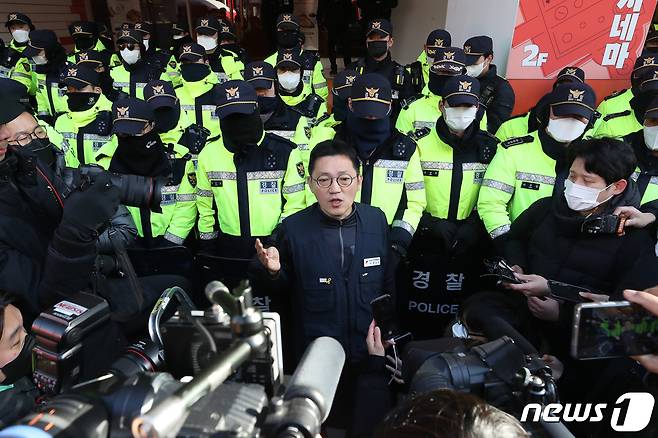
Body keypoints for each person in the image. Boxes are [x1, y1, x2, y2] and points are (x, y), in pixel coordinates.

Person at [465, 138, 658, 357]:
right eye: (572, 176)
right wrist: (517, 265)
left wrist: (561, 314)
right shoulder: (545, 208)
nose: (576, 186)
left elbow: (623, 307)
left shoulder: (633, 238)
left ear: (617, 186)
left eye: (588, 180)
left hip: (573, 351)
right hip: (520, 328)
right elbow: (514, 240)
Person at [254, 138, 395, 432]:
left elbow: (387, 284)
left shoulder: (376, 220)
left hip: (368, 354)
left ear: (359, 180)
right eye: (324, 180)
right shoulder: (293, 230)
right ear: (310, 184)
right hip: (317, 361)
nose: (335, 189)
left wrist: (388, 335)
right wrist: (273, 272)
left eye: (344, 179)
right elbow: (281, 294)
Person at [404, 75, 497, 338]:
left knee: (463, 315)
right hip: (425, 240)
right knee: (419, 313)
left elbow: (497, 196)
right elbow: (405, 194)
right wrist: (428, 225)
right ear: (441, 106)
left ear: (478, 109)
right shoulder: (417, 144)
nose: (462, 113)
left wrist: (476, 226)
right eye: (455, 106)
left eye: (468, 106)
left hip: (470, 242)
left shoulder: (490, 147)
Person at [317, 73, 426, 256]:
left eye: (376, 114)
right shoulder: (329, 142)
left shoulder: (405, 149)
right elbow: (315, 191)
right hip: (333, 241)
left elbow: (414, 203)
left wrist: (398, 243)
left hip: (387, 243)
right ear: (350, 104)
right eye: (365, 113)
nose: (371, 119)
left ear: (390, 107)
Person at [196, 80, 306, 258]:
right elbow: (205, 207)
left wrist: (275, 243)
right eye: (230, 116)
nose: (237, 122)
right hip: (227, 251)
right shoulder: (208, 154)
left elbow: (294, 207)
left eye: (243, 114)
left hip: (274, 250)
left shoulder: (285, 152)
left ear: (256, 108)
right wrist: (208, 247)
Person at [478, 82, 597, 239]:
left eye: (578, 117)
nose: (569, 121)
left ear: (589, 121)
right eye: (562, 114)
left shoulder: (595, 157)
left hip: (569, 250)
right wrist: (508, 244)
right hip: (518, 242)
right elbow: (491, 203)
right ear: (549, 113)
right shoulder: (513, 151)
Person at [95, 98, 197, 247]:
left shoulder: (179, 161)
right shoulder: (104, 164)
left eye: (136, 131)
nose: (130, 138)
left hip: (171, 247)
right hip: (127, 249)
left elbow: (187, 206)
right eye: (123, 134)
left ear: (151, 126)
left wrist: (170, 243)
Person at [396, 47, 488, 135]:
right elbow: (401, 143)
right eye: (442, 71)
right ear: (432, 72)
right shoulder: (412, 107)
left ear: (463, 74)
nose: (446, 76)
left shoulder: (475, 110)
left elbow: (479, 144)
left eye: (452, 73)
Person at [495, 66, 586, 143]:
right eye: (561, 85)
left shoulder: (586, 125)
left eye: (571, 87)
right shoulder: (511, 125)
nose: (564, 91)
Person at [350, 19, 415, 122]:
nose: (376, 41)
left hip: (391, 133)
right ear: (367, 42)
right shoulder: (353, 71)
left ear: (390, 42)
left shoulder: (402, 75)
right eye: (372, 38)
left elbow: (408, 112)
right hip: (358, 131)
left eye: (381, 38)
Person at [54, 64, 116, 166]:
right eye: (70, 89)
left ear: (97, 91)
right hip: (69, 180)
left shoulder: (115, 118)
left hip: (105, 180)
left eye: (79, 89)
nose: (72, 93)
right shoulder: (61, 121)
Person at [264, 14, 329, 101]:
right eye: (282, 29)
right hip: (279, 112)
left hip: (306, 112)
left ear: (298, 32)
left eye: (290, 30)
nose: (286, 33)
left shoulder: (312, 61)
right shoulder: (267, 63)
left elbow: (322, 95)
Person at [591, 54, 658, 134]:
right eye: (642, 75)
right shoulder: (610, 104)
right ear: (633, 76)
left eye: (654, 74)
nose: (648, 77)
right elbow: (591, 135)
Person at [463, 35, 515, 133]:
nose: (468, 65)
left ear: (489, 58)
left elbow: (496, 128)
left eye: (474, 61)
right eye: (467, 59)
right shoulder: (459, 79)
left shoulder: (502, 88)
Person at [20, 30, 69, 126]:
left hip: (69, 121)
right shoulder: (40, 71)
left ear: (50, 50)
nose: (34, 56)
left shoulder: (68, 70)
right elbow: (40, 97)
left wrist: (65, 118)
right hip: (52, 122)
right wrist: (44, 118)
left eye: (37, 52)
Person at [176, 42, 222, 139]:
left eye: (194, 61)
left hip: (216, 150)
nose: (190, 66)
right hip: (185, 151)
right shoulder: (175, 94)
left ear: (206, 62)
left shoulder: (221, 92)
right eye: (185, 63)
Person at [109, 29, 165, 100]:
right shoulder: (112, 72)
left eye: (130, 46)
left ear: (141, 48)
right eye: (122, 46)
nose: (126, 50)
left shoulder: (156, 73)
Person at [195, 17, 244, 85]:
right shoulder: (189, 58)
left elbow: (239, 85)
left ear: (219, 35)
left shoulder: (230, 57)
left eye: (209, 34)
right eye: (200, 34)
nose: (204, 37)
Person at [317, 0, 355, 75]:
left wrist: (351, 21)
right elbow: (321, 7)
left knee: (345, 46)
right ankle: (334, 67)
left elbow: (349, 7)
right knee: (331, 46)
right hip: (331, 22)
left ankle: (348, 67)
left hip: (343, 22)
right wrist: (320, 21)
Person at [3, 13, 33, 85]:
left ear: (29, 28)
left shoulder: (40, 50)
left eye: (21, 27)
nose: (17, 31)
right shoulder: (6, 51)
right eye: (13, 28)